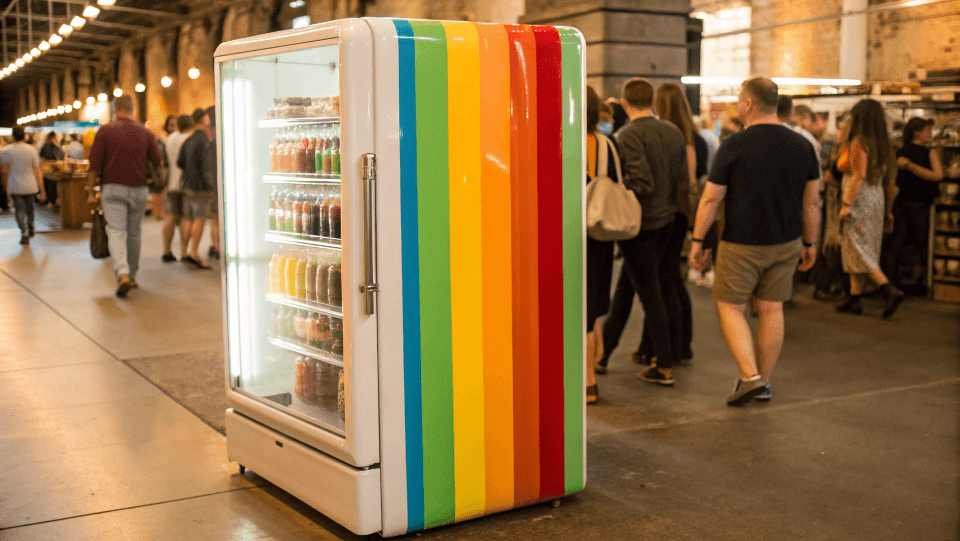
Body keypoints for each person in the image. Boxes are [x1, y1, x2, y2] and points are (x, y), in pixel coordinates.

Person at [688, 77, 820, 405]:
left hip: (741, 243)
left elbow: (710, 200)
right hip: (787, 240)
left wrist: (697, 239)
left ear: (748, 103)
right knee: (771, 309)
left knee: (730, 306)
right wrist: (810, 242)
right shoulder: (802, 145)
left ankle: (750, 376)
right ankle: (763, 382)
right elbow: (812, 202)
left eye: (738, 99)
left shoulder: (734, 145)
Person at [596, 83, 700, 374]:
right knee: (631, 288)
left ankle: (663, 365)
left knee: (650, 294)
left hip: (640, 226)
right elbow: (682, 180)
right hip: (668, 221)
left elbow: (642, 184)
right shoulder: (673, 131)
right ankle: (603, 356)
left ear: (625, 102)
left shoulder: (625, 135)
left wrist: (617, 191)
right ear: (652, 100)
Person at [86, 95, 162, 297]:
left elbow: (94, 164)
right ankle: (133, 275)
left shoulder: (105, 131)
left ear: (115, 109)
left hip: (112, 188)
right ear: (132, 109)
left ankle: (123, 273)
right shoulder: (145, 132)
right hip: (139, 188)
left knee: (116, 231)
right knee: (134, 232)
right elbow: (157, 161)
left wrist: (91, 192)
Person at [834, 99, 903, 317]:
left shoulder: (860, 141)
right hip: (876, 198)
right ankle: (854, 299)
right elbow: (886, 180)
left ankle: (888, 289)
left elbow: (858, 175)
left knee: (858, 247)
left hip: (860, 199)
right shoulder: (882, 143)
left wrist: (846, 204)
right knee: (863, 247)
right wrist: (888, 210)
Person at [881, 117, 943, 292]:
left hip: (902, 204)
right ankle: (922, 283)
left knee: (897, 244)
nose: (930, 134)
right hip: (918, 205)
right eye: (927, 130)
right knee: (919, 244)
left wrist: (909, 165)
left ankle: (892, 284)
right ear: (917, 132)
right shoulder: (928, 153)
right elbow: (938, 175)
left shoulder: (901, 154)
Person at [584, 86, 617, 403]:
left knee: (574, 306)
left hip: (567, 234)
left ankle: (587, 380)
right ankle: (591, 369)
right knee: (593, 301)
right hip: (600, 235)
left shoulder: (563, 143)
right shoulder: (607, 143)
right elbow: (621, 185)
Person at [177, 108, 215, 269]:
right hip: (200, 187)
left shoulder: (188, 139)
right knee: (199, 219)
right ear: (204, 120)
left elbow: (180, 162)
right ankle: (194, 253)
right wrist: (210, 186)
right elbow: (206, 165)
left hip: (186, 185)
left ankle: (184, 252)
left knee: (187, 218)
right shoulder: (203, 140)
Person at [1, 126, 46, 245]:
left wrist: (5, 186)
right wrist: (42, 189)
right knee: (30, 208)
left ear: (13, 136)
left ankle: (24, 233)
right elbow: (37, 170)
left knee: (19, 210)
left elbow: (4, 171)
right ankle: (30, 223)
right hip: (31, 185)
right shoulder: (31, 150)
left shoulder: (6, 151)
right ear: (24, 136)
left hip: (15, 185)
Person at [161, 114, 192, 262]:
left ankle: (166, 251)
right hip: (186, 183)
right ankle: (185, 252)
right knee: (187, 218)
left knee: (170, 217)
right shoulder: (188, 139)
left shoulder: (170, 139)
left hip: (172, 182)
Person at [204, 106, 221, 260]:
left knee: (215, 219)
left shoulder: (213, 144)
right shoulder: (220, 142)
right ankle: (217, 245)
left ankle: (216, 246)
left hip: (215, 188)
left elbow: (209, 168)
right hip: (219, 187)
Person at [39, 131, 64, 208]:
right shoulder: (53, 146)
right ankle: (53, 201)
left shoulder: (44, 146)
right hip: (54, 169)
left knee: (50, 186)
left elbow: (41, 159)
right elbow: (60, 157)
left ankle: (51, 201)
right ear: (53, 137)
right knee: (53, 186)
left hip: (47, 170)